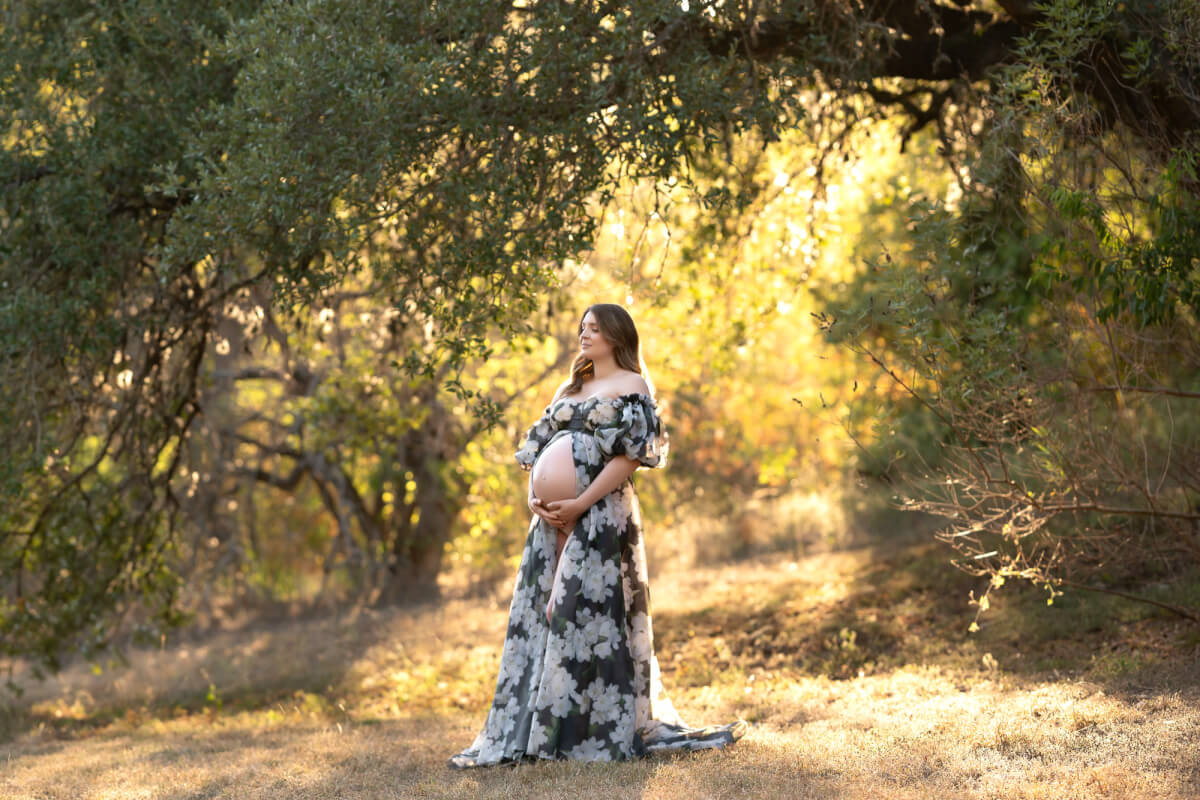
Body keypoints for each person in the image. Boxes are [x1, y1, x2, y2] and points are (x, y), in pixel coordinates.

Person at [448, 303, 747, 768]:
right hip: (549, 522)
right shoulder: (572, 387)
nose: (584, 334)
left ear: (615, 335)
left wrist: (580, 503)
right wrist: (535, 497)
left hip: (600, 514)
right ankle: (538, 733)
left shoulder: (632, 386)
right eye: (582, 327)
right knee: (543, 616)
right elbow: (541, 448)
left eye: (593, 328)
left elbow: (630, 459)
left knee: (581, 615)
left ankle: (585, 734)